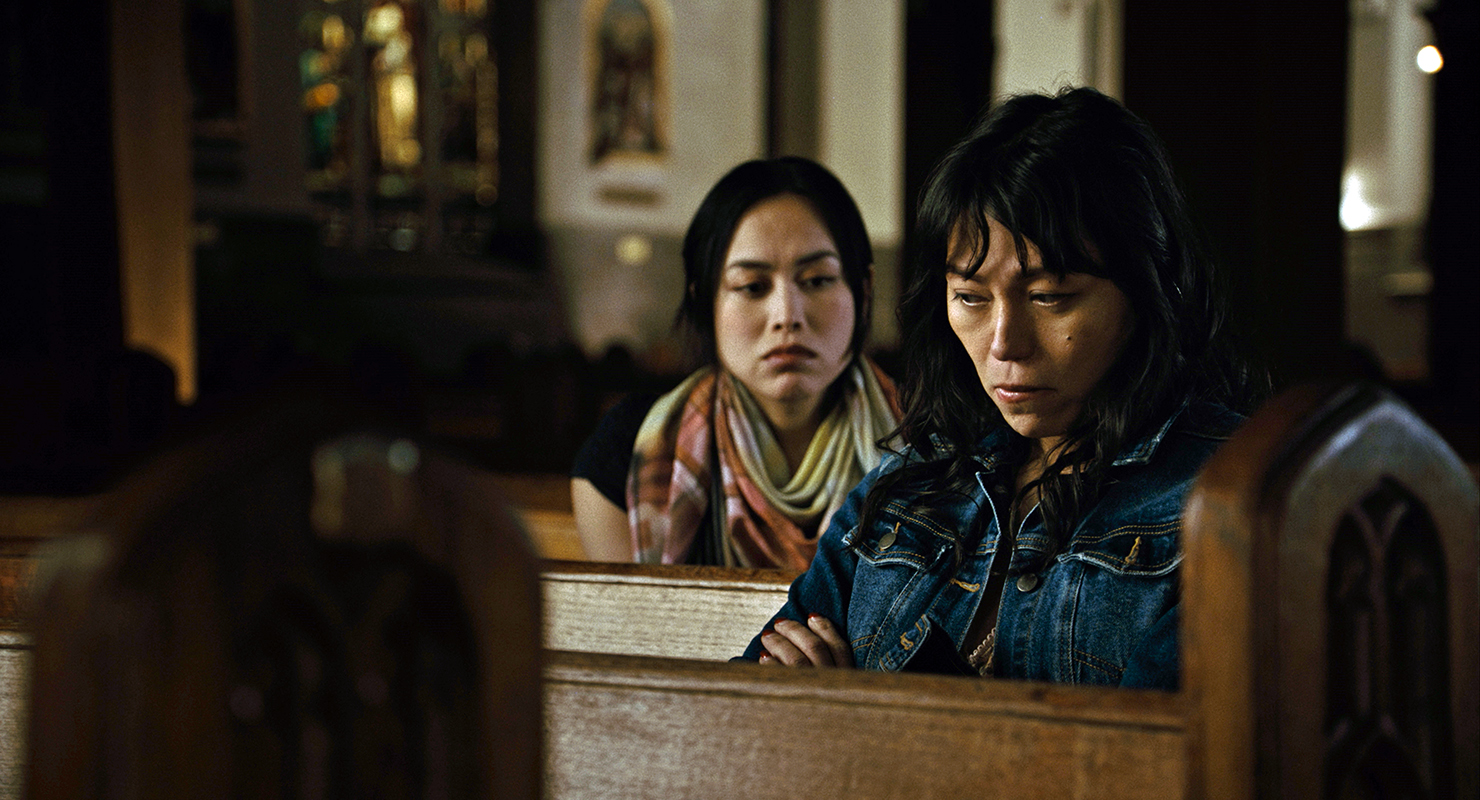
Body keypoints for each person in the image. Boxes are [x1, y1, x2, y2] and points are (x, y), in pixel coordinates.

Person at [739, 87, 1265, 690]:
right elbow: (753, 701)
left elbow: (1145, 762)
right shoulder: (913, 481)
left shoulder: (1224, 498)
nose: (1004, 343)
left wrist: (853, 717)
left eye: (1050, 297)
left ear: (1146, 292)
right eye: (970, 298)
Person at [570, 156, 901, 569]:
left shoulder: (935, 446)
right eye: (752, 286)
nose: (787, 315)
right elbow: (636, 631)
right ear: (704, 301)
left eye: (817, 280)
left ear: (863, 291)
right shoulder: (628, 456)